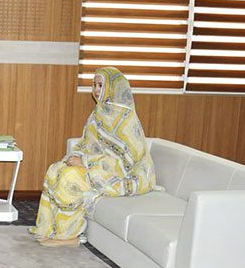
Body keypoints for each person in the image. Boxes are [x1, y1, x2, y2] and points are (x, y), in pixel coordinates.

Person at [30, 67, 157, 247]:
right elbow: (86, 143)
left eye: (101, 85)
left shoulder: (125, 118)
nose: (96, 90)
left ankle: (68, 237)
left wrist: (85, 163)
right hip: (99, 168)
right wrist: (75, 157)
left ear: (113, 88)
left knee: (70, 179)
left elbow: (125, 161)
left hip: (125, 176)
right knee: (55, 170)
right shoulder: (100, 111)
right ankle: (48, 229)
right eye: (94, 85)